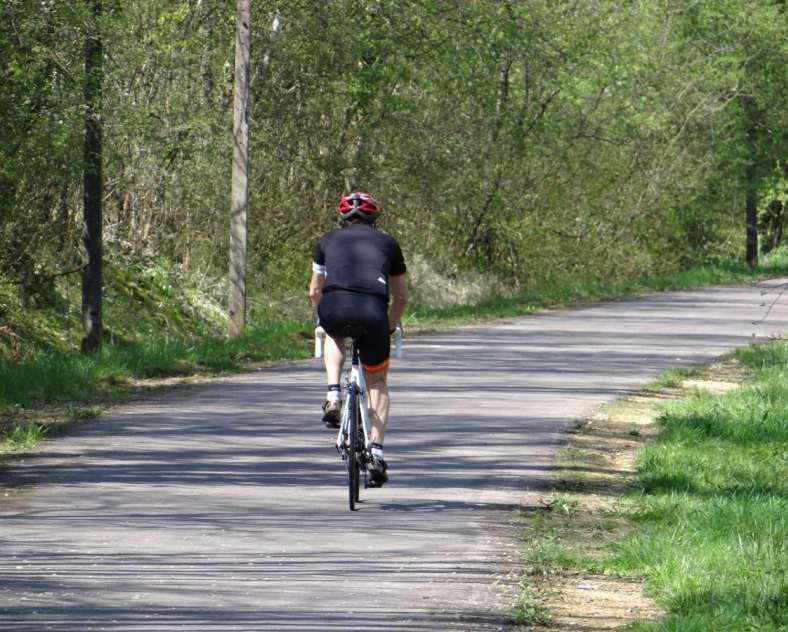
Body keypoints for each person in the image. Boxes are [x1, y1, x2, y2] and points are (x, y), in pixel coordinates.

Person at [308, 192, 408, 487]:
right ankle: (375, 453)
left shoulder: (326, 240)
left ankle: (333, 393)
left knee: (333, 332)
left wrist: (323, 317)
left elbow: (315, 291)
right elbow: (401, 297)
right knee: (377, 382)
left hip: (335, 305)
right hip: (374, 310)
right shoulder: (389, 244)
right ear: (374, 219)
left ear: (342, 218)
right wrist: (387, 328)